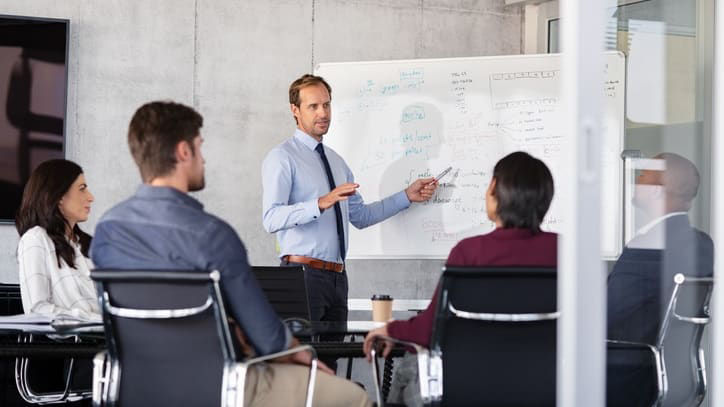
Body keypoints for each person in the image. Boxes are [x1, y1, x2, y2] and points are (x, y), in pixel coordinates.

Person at [91, 101, 371, 407]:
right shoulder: (213, 236)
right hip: (219, 386)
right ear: (184, 152)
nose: (203, 159)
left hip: (137, 386)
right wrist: (302, 355)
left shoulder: (106, 231)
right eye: (200, 148)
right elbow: (269, 338)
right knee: (354, 396)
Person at [363, 151, 557, 406]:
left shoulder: (469, 252)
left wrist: (389, 330)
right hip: (546, 386)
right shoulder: (565, 253)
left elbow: (429, 330)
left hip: (471, 388)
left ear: (496, 191)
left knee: (408, 371)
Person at [261, 74, 438, 339]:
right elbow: (271, 218)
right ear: (295, 110)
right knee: (301, 362)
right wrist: (321, 203)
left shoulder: (337, 162)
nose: (323, 113)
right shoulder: (282, 157)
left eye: (327, 105)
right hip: (302, 277)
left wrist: (406, 196)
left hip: (337, 279)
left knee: (333, 359)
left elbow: (361, 216)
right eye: (313, 106)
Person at [606, 153, 713, 407]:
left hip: (627, 375)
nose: (636, 180)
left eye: (643, 175)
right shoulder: (702, 243)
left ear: (656, 191)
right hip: (672, 374)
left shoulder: (649, 246)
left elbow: (606, 316)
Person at [16, 159, 99, 320]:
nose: (91, 197)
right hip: (72, 343)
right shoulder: (35, 239)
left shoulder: (85, 244)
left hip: (105, 338)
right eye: (82, 189)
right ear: (59, 196)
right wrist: (97, 320)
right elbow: (37, 310)